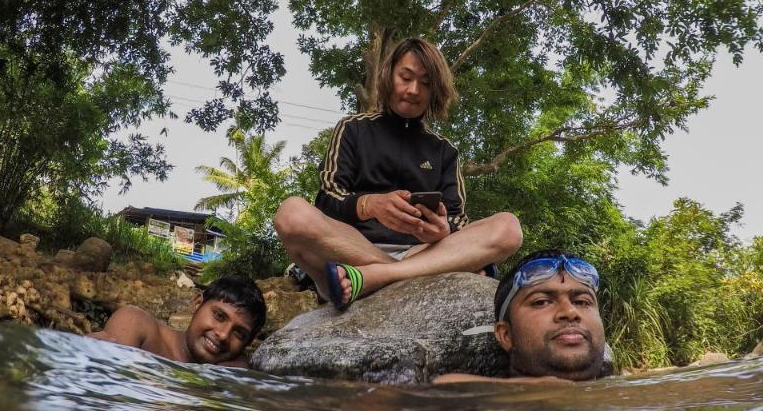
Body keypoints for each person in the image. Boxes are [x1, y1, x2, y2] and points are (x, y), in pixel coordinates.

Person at [274, 37, 523, 308]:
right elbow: (327, 201)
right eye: (406, 77)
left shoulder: (444, 151)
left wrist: (443, 230)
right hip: (350, 249)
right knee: (291, 213)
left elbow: (458, 219)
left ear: (435, 92)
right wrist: (369, 205)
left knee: (508, 228)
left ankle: (374, 277)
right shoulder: (352, 129)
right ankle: (402, 273)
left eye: (426, 84)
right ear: (388, 75)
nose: (414, 90)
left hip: (421, 250)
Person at [433, 250, 611, 383]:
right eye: (541, 302)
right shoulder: (470, 403)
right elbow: (448, 386)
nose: (570, 312)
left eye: (582, 302)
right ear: (506, 335)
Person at [90, 275, 266, 368]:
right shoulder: (137, 325)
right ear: (197, 303)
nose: (223, 335)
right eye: (219, 316)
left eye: (239, 333)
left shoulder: (233, 369)